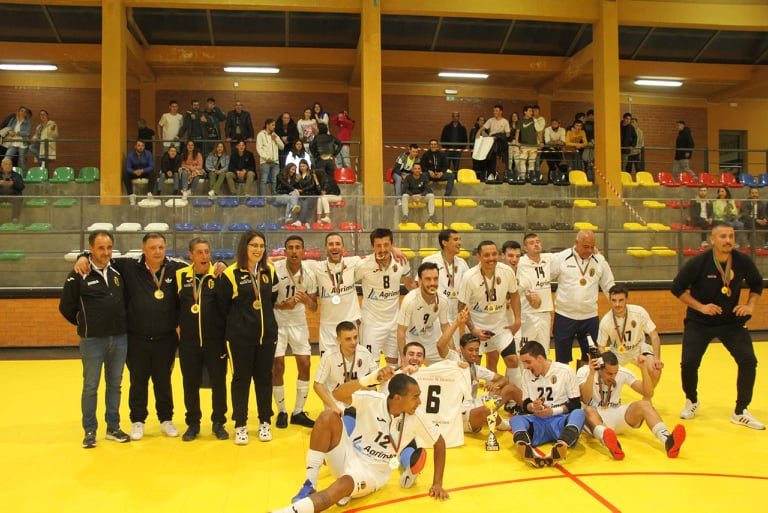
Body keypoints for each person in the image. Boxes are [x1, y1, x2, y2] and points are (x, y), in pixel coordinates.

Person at [277, 373, 448, 513]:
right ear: (397, 398)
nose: (419, 402)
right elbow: (338, 395)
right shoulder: (373, 400)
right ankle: (309, 484)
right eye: (415, 397)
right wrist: (367, 380)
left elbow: (439, 443)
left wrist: (437, 483)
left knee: (342, 486)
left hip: (373, 472)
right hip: (348, 454)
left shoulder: (417, 417)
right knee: (327, 416)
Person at [74, 232, 186, 442]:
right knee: (138, 381)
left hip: (166, 338)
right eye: (152, 248)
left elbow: (200, 265)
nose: (157, 252)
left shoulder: (176, 267)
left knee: (163, 381)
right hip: (136, 338)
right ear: (143, 249)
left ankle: (166, 419)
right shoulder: (127, 266)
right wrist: (82, 256)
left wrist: (220, 265)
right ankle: (138, 420)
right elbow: (101, 256)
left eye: (161, 247)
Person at [671, 224, 764, 429]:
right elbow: (676, 288)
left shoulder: (742, 261)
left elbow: (757, 284)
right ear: (712, 240)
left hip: (731, 321)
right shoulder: (699, 262)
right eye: (723, 236)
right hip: (700, 321)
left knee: (748, 361)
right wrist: (701, 307)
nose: (728, 240)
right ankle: (691, 400)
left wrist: (750, 305)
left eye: (731, 236)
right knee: (689, 362)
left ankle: (741, 411)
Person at [59, 230, 130, 448]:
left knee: (115, 385)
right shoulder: (78, 274)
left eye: (109, 247)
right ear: (91, 249)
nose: (106, 252)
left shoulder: (118, 271)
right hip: (92, 341)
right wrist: (85, 324)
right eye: (101, 248)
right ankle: (89, 430)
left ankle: (113, 427)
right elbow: (66, 307)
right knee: (90, 386)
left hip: (119, 339)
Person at [217, 230, 279, 444]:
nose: (258, 249)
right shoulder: (230, 274)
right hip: (239, 339)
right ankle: (241, 424)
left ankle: (265, 422)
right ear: (245, 247)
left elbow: (270, 299)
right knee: (241, 380)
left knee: (264, 379)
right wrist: (240, 325)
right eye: (254, 245)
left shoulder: (269, 270)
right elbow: (222, 307)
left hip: (266, 337)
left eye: (261, 245)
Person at [578, 351, 686, 460]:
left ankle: (668, 440)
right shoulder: (585, 371)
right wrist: (592, 374)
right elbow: (586, 399)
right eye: (609, 374)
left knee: (645, 404)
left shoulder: (622, 372)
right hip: (594, 419)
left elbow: (648, 393)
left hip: (615, 414)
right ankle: (611, 444)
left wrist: (643, 369)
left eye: (615, 373)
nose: (613, 377)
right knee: (588, 410)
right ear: (600, 368)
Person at [175, 238, 229, 442]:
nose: (205, 256)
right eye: (200, 252)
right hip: (188, 342)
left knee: (219, 383)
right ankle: (193, 423)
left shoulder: (220, 275)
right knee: (189, 384)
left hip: (215, 341)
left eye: (207, 252)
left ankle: (218, 422)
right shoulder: (181, 276)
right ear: (191, 255)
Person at [511, 341, 585, 467]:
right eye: (523, 363)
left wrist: (552, 411)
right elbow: (526, 404)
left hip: (560, 422)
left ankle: (562, 444)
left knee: (579, 413)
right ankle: (527, 448)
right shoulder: (526, 374)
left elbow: (575, 403)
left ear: (540, 358)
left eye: (528, 362)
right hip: (539, 422)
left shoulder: (565, 371)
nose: (525, 367)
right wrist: (534, 407)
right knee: (516, 419)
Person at [457, 240, 521, 387]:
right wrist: (473, 329)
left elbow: (515, 294)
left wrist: (518, 320)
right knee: (473, 367)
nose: (491, 258)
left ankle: (513, 400)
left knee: (512, 360)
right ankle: (471, 401)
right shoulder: (469, 276)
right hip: (476, 327)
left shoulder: (507, 271)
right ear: (478, 256)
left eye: (494, 254)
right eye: (486, 255)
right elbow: (461, 306)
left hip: (500, 327)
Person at [550, 230, 615, 365]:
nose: (590, 250)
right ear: (576, 243)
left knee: (591, 357)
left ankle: (584, 384)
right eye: (586, 247)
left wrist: (618, 308)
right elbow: (544, 279)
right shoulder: (562, 258)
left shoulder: (599, 260)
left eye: (592, 246)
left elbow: (609, 286)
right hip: (564, 316)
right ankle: (566, 385)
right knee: (562, 359)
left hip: (590, 317)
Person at [272, 235, 318, 429]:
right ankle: (281, 411)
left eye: (297, 247)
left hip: (299, 322)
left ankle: (298, 411)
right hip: (278, 321)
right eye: (290, 247)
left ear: (303, 251)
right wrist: (284, 306)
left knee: (305, 364)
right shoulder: (275, 269)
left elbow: (314, 307)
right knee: (278, 365)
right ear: (284, 252)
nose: (294, 251)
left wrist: (307, 301)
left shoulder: (310, 272)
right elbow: (268, 301)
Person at [355, 228, 416, 366]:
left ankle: (387, 389)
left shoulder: (401, 261)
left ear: (392, 245)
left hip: (394, 323)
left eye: (386, 245)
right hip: (371, 324)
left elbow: (410, 285)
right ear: (372, 246)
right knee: (370, 366)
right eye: (378, 245)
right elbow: (347, 281)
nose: (382, 249)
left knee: (394, 364)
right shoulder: (364, 265)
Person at [597, 284, 664, 387]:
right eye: (614, 300)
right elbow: (601, 347)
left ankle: (646, 397)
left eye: (621, 300)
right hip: (617, 352)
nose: (617, 304)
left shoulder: (639, 312)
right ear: (609, 300)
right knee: (604, 375)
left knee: (655, 370)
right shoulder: (606, 321)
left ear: (627, 299)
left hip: (639, 348)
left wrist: (657, 358)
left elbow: (654, 335)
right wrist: (606, 363)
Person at [458, 333, 521, 435]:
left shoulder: (476, 368)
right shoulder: (454, 365)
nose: (474, 353)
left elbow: (504, 379)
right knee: (487, 410)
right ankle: (504, 425)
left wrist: (495, 385)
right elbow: (442, 347)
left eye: (477, 350)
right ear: (461, 349)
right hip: (461, 415)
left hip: (473, 405)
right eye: (470, 350)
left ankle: (531, 410)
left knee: (510, 389)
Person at [311, 233, 363, 355]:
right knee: (327, 366)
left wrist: (394, 250)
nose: (334, 247)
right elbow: (294, 260)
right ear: (325, 248)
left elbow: (374, 258)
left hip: (350, 325)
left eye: (338, 244)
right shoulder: (317, 267)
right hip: (328, 328)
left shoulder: (354, 262)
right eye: (331, 244)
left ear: (343, 248)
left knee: (351, 366)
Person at [313, 321, 378, 415]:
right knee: (336, 421)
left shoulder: (365, 353)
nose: (353, 342)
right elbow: (317, 385)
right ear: (338, 339)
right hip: (336, 401)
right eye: (348, 339)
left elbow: (375, 377)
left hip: (358, 399)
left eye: (355, 337)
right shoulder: (329, 356)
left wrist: (371, 393)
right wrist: (332, 406)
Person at [421, 229, 469, 346]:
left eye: (460, 239)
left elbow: (468, 289)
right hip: (435, 317)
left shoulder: (462, 263)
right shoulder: (430, 261)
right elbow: (419, 287)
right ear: (444, 243)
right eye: (455, 239)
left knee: (454, 355)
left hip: (454, 318)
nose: (459, 243)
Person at [396, 263, 450, 364]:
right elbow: (401, 331)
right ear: (420, 281)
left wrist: (453, 351)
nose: (432, 283)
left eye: (435, 279)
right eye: (428, 279)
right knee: (406, 376)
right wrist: (403, 358)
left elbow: (445, 327)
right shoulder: (410, 300)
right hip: (411, 344)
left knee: (451, 367)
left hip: (432, 344)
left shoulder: (443, 300)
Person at [516, 233, 554, 352]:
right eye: (531, 243)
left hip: (545, 313)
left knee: (544, 350)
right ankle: (523, 371)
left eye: (537, 242)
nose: (536, 244)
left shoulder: (548, 259)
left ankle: (542, 371)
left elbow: (567, 254)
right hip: (528, 313)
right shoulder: (519, 262)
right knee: (525, 349)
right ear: (525, 248)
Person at [482, 104, 511, 182]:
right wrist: (478, 134)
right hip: (491, 140)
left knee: (498, 156)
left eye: (496, 111)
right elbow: (482, 128)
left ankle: (500, 174)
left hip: (500, 141)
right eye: (494, 110)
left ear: (501, 112)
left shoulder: (505, 121)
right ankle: (491, 173)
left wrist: (499, 136)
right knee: (489, 157)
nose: (494, 112)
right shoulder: (490, 120)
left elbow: (508, 134)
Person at [256, 117, 284, 198]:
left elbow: (282, 147)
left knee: (275, 181)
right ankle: (263, 198)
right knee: (263, 181)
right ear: (267, 125)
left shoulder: (275, 135)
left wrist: (276, 140)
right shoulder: (261, 135)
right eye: (272, 125)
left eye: (274, 125)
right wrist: (266, 157)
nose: (274, 126)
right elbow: (259, 148)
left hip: (275, 162)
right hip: (265, 162)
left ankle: (274, 198)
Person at [123, 139, 155, 205]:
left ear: (144, 147)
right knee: (125, 175)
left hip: (144, 172)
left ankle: (149, 193)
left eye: (142, 146)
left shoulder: (148, 154)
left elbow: (151, 166)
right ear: (135, 146)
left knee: (152, 173)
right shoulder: (130, 155)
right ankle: (131, 196)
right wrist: (134, 171)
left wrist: (143, 170)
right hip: (134, 173)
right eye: (139, 145)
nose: (140, 147)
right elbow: (128, 167)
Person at [3, 106, 32, 176]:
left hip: (23, 144)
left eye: (25, 112)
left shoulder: (28, 122)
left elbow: (27, 133)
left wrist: (17, 133)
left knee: (22, 161)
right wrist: (10, 131)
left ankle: (24, 177)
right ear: (18, 112)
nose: (23, 112)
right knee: (6, 158)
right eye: (22, 111)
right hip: (13, 143)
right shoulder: (13, 120)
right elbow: (8, 128)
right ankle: (5, 175)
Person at [314, 153, 342, 225]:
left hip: (336, 196)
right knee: (319, 199)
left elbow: (322, 191)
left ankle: (327, 217)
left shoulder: (327, 179)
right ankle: (319, 219)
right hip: (328, 196)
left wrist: (316, 181)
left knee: (323, 197)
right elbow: (320, 192)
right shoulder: (322, 180)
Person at [293, 159, 318, 227]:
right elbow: (297, 187)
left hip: (311, 195)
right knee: (299, 203)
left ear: (307, 166)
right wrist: (297, 181)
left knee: (305, 203)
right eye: (300, 166)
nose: (302, 168)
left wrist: (303, 189)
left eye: (303, 166)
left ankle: (300, 221)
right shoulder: (299, 175)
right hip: (303, 196)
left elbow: (312, 185)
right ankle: (305, 222)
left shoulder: (311, 174)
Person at [0, 157, 24, 223]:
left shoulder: (17, 175)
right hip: (1, 196)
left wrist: (13, 183)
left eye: (10, 164)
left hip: (13, 195)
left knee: (18, 199)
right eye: (6, 164)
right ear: (2, 165)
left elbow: (21, 186)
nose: (8, 166)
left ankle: (15, 218)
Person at [469, 115, 487, 180]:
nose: (482, 122)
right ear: (477, 121)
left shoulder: (486, 130)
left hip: (483, 152)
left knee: (483, 166)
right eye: (480, 120)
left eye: (483, 120)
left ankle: (482, 179)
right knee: (476, 166)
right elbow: (472, 140)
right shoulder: (474, 129)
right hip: (476, 151)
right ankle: (475, 178)